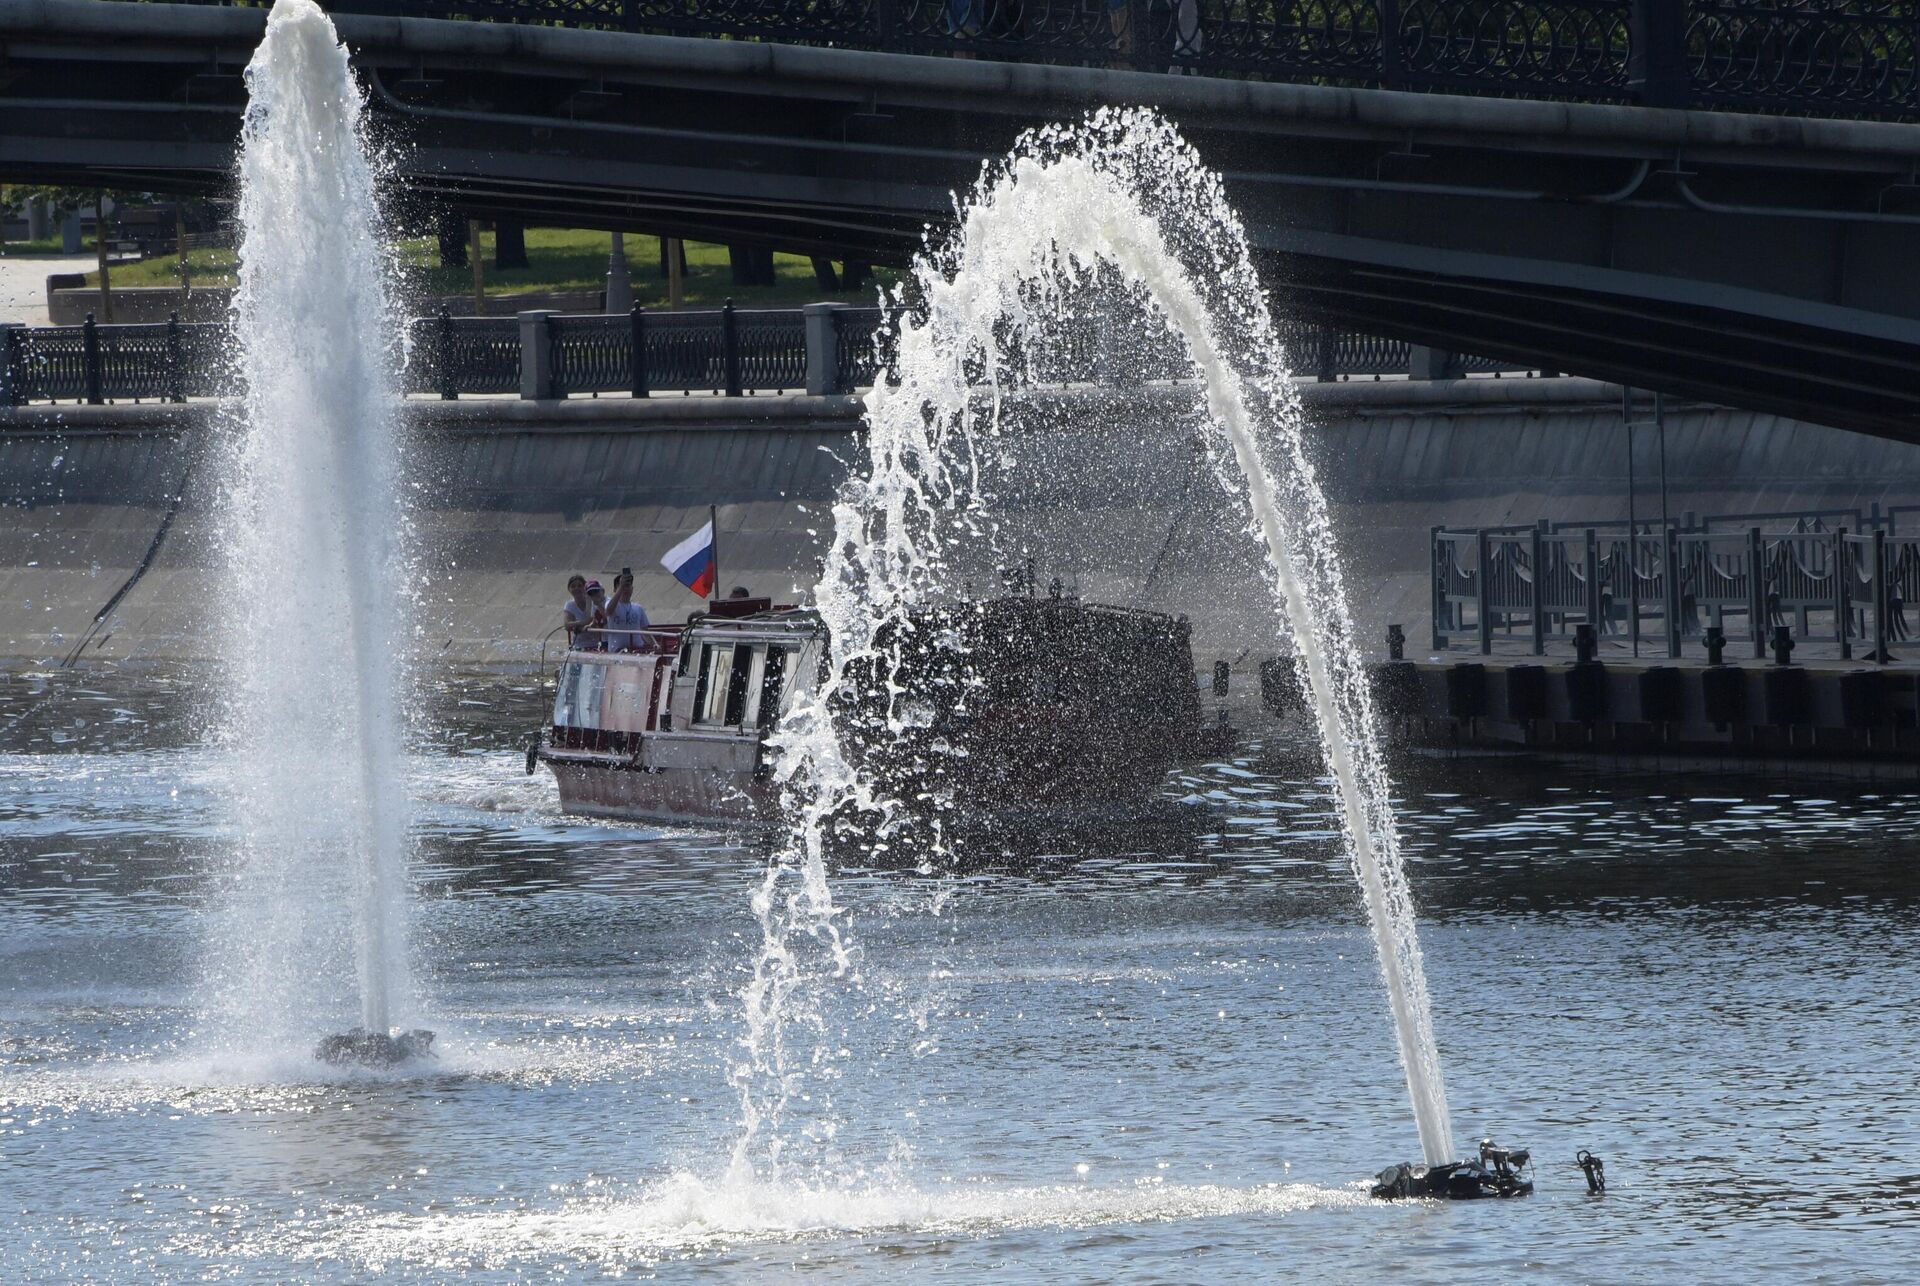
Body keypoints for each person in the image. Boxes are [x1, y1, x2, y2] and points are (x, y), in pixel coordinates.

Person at [605, 570, 652, 652]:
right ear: (615, 589)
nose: (625, 589)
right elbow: (608, 611)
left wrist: (654, 644)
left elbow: (645, 631)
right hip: (617, 651)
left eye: (627, 586)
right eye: (621, 586)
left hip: (637, 650)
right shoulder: (610, 604)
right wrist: (621, 587)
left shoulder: (638, 608)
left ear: (632, 588)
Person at [562, 574, 597, 648]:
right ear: (569, 589)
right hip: (579, 645)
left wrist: (577, 624)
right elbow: (567, 625)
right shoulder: (569, 605)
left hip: (596, 643)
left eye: (579, 586)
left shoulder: (591, 600)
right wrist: (581, 624)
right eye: (573, 586)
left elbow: (589, 619)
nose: (576, 588)